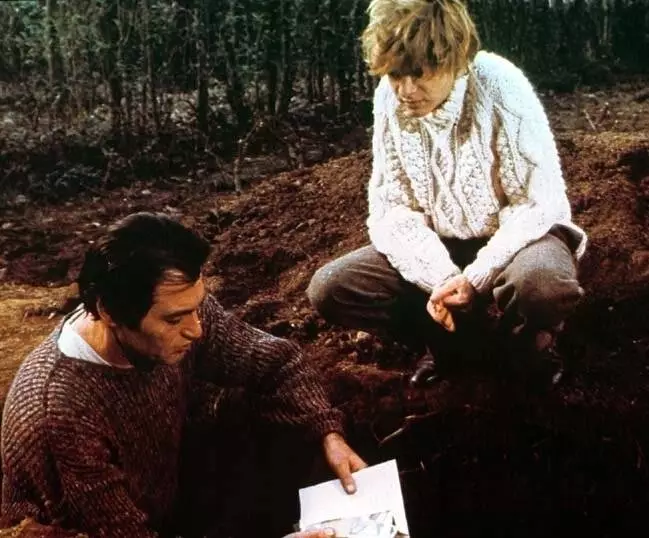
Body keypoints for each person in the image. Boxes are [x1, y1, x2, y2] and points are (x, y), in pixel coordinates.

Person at [1, 212, 365, 538]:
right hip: (111, 526)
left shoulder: (177, 306)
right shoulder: (61, 414)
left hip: (169, 500)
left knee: (254, 415)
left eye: (196, 308)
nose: (196, 330)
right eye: (175, 319)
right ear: (109, 312)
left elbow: (276, 363)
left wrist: (327, 434)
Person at [307, 0, 587, 386]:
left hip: (521, 238)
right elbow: (392, 208)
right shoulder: (390, 99)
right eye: (394, 75)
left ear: (454, 61)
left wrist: (475, 278)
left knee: (541, 287)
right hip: (442, 244)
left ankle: (529, 345)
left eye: (419, 74)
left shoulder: (500, 84)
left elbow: (538, 203)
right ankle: (450, 345)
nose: (406, 90)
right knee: (331, 287)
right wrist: (440, 277)